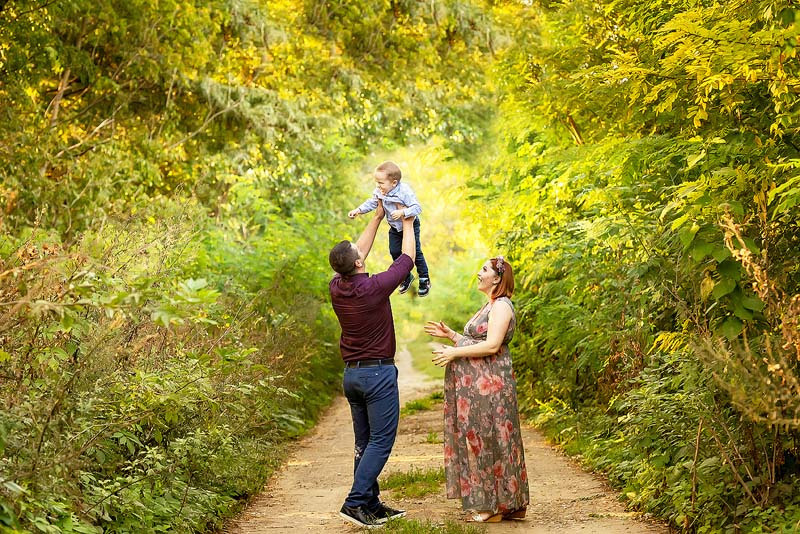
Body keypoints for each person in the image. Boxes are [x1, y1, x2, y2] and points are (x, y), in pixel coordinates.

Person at [329, 202, 417, 528]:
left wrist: (378, 218)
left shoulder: (337, 287)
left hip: (352, 375)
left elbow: (355, 254)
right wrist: (407, 223)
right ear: (359, 262)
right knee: (381, 442)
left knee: (364, 443)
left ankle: (370, 504)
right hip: (377, 374)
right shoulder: (375, 287)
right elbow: (406, 260)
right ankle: (354, 503)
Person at [424, 256, 530, 523]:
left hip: (490, 386)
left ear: (497, 278)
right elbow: (477, 341)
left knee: (485, 440)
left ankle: (491, 507)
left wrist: (453, 353)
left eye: (484, 270)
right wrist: (451, 336)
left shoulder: (502, 306)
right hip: (481, 385)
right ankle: (509, 504)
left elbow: (492, 346)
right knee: (490, 439)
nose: (478, 273)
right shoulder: (491, 305)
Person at [348, 161, 431, 297]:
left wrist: (403, 213)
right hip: (395, 227)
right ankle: (407, 276)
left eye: (381, 183)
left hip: (410, 225)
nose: (378, 186)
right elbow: (373, 202)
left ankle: (424, 278)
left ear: (394, 183)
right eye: (376, 182)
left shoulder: (404, 191)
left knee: (416, 253)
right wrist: (358, 210)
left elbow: (417, 208)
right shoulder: (381, 191)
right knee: (394, 251)